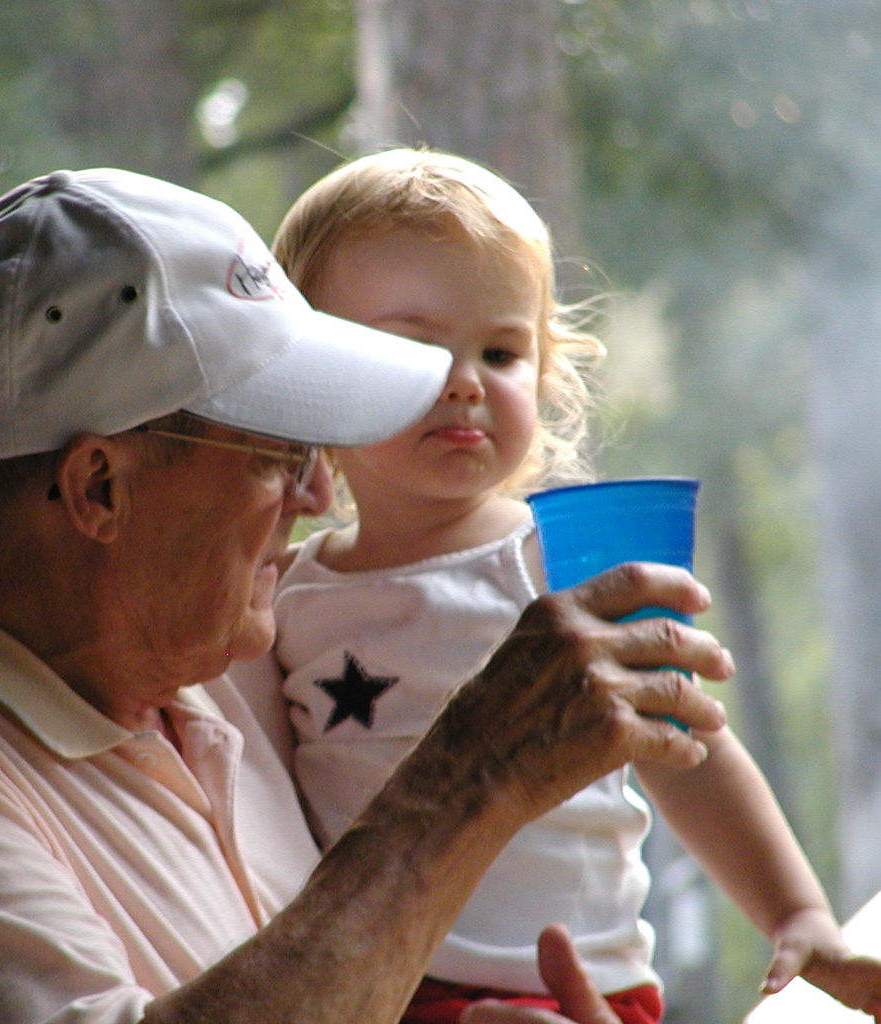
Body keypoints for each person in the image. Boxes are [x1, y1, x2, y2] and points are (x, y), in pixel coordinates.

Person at [0, 166, 735, 1024]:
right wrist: (469, 784)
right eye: (277, 456)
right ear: (99, 489)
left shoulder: (200, 642)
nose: (314, 498)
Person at [257, 146, 881, 1023]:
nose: (467, 383)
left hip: (585, 988)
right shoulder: (281, 596)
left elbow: (687, 748)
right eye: (414, 349)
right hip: (373, 991)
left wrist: (798, 913)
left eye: (501, 351)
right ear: (314, 373)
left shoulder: (568, 568)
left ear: (546, 373)